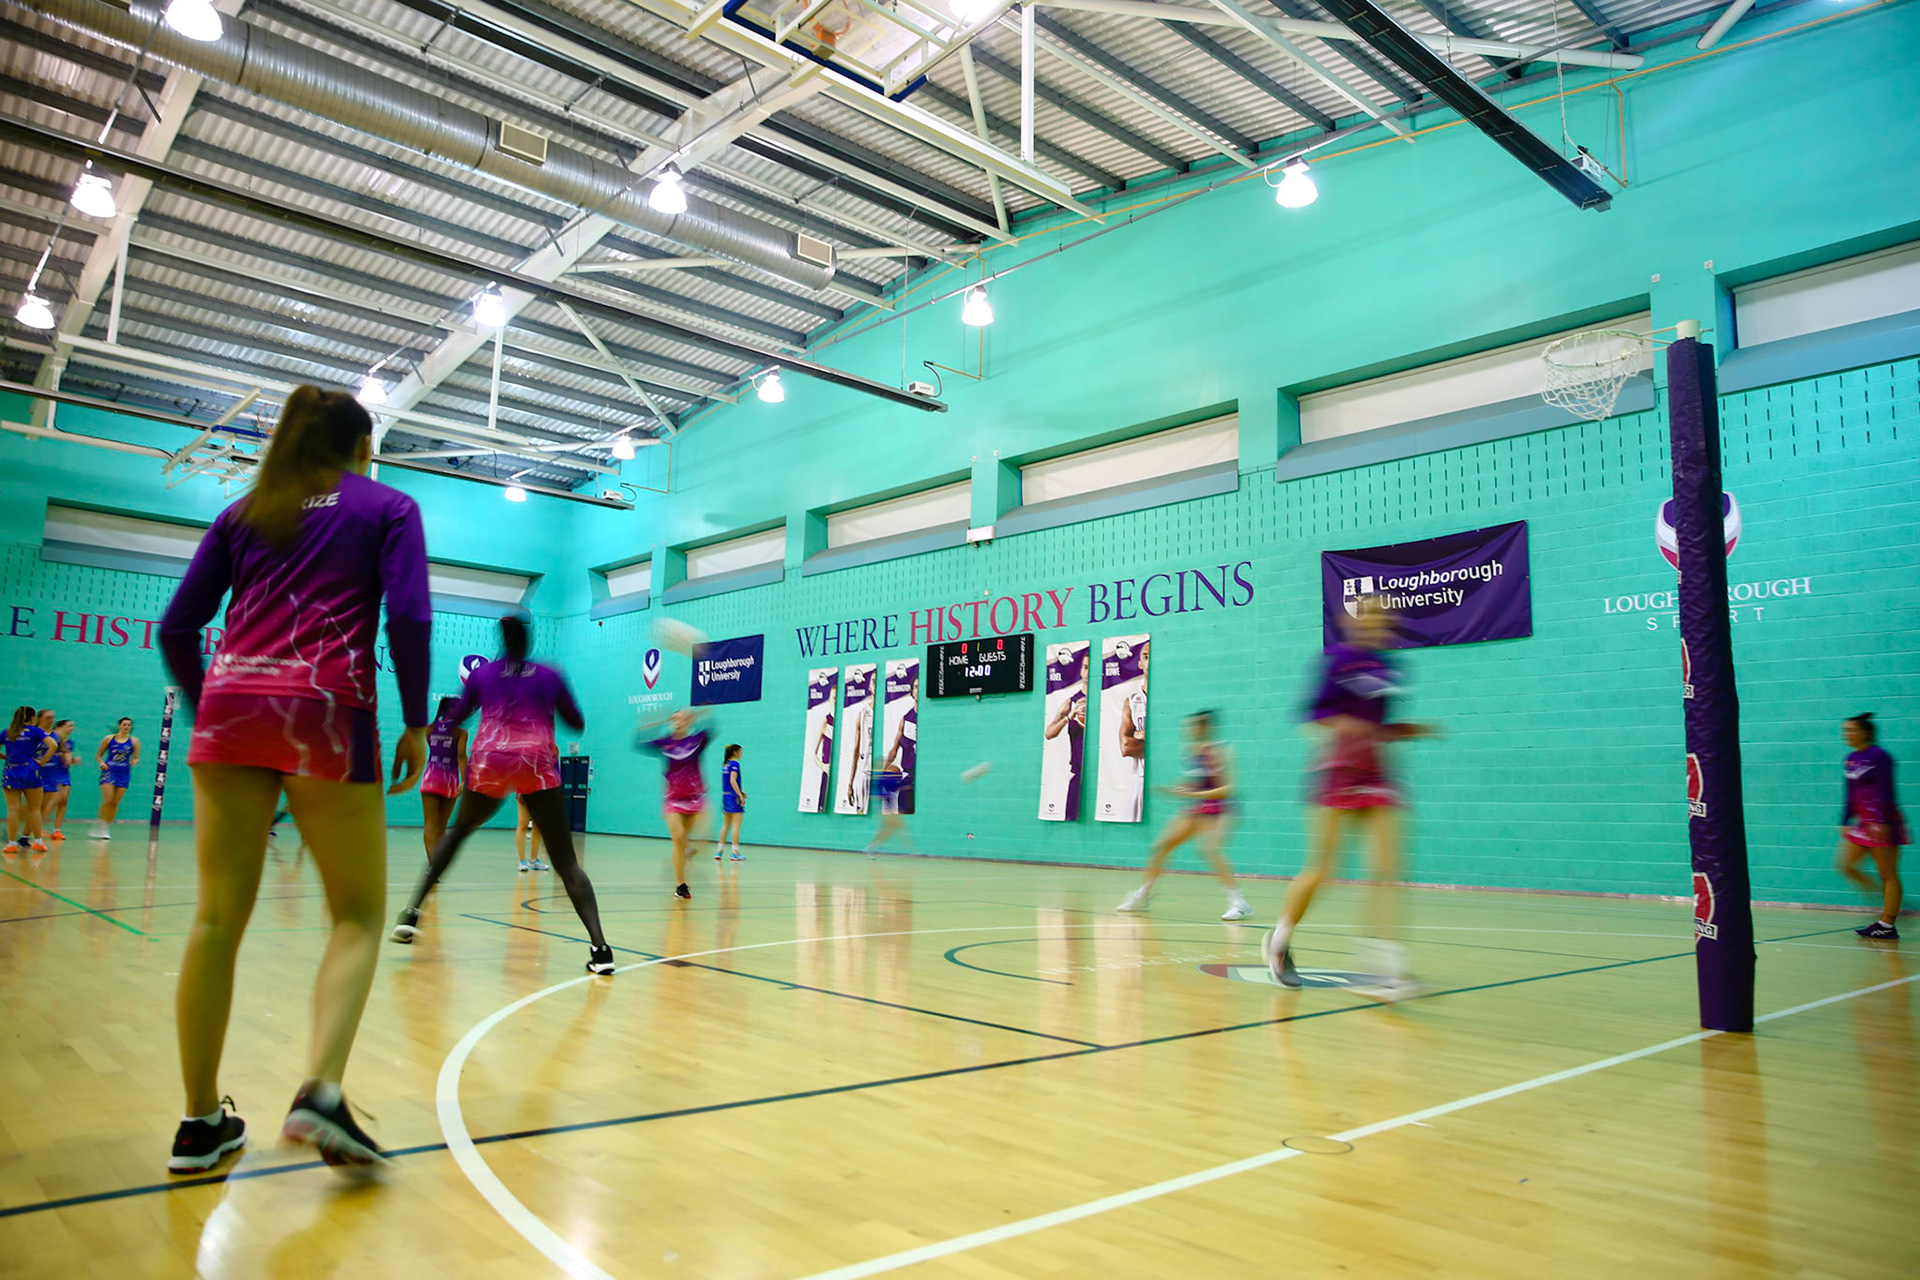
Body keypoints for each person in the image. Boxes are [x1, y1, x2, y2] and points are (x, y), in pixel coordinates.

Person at [158, 385, 431, 1173]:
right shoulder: (388, 507)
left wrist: (207, 701)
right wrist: (416, 719)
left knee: (215, 921)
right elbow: (409, 617)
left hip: (231, 708)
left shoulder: (242, 514)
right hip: (324, 708)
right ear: (360, 446)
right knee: (357, 914)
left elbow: (177, 626)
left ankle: (200, 1124)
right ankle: (321, 1092)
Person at [393, 616, 612, 973]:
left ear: (503, 641)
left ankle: (411, 913)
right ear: (529, 642)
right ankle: (601, 950)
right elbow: (576, 722)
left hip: (490, 762)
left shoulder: (483, 675)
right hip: (536, 762)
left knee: (458, 833)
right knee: (567, 863)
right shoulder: (550, 673)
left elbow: (459, 715)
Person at [1263, 599, 1438, 999]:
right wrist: (1353, 728)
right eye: (1372, 615)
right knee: (1324, 868)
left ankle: (1386, 969)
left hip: (1377, 773)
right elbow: (1312, 716)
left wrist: (1408, 730)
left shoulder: (1394, 668)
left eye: (1386, 618)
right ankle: (1279, 940)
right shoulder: (1337, 661)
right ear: (1354, 621)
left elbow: (1382, 727)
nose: (1379, 623)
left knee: (1387, 867)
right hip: (1336, 770)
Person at [1117, 710, 1252, 921]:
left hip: (1221, 807)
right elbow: (1195, 782)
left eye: (1194, 726)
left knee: (1210, 850)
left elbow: (1228, 788)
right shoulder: (1191, 751)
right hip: (1199, 806)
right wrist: (1176, 789)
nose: (1189, 730)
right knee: (1162, 845)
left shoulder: (1220, 751)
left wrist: (1195, 793)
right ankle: (1143, 895)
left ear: (1205, 727)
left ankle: (1239, 902)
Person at [1836, 713, 1906, 940]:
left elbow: (1887, 790)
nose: (1847, 734)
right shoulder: (1850, 758)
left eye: (1852, 730)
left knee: (1888, 874)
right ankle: (1886, 900)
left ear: (1866, 732)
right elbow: (1850, 793)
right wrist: (1845, 819)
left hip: (1882, 822)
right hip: (1863, 823)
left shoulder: (1880, 756)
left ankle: (1887, 923)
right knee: (1846, 866)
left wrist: (1884, 821)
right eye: (1845, 730)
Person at [638, 708, 711, 899]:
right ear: (672, 721)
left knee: (684, 840)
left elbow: (711, 728)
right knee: (678, 837)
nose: (679, 721)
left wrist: (696, 714)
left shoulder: (696, 741)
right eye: (676, 718)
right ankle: (681, 885)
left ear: (688, 721)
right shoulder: (666, 743)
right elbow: (640, 741)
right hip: (673, 799)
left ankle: (684, 851)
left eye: (683, 718)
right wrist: (650, 723)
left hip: (694, 798)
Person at [418, 696, 468, 859]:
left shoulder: (429, 729)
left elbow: (431, 748)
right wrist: (465, 780)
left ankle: (432, 865)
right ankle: (437, 865)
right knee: (442, 827)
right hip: (450, 782)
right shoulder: (460, 732)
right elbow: (461, 756)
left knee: (430, 826)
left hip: (430, 778)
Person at [3, 705, 54, 854]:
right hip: (30, 771)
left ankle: (11, 844)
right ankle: (38, 842)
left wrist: (5, 757)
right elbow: (53, 745)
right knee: (35, 809)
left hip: (11, 772)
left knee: (12, 810)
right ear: (33, 718)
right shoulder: (36, 731)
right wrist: (43, 760)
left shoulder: (7, 732)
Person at [93, 717, 140, 840]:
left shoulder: (134, 741)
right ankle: (100, 821)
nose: (126, 727)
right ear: (119, 726)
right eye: (124, 724)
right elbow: (99, 755)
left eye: (129, 725)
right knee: (108, 799)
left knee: (115, 803)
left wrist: (134, 761)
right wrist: (101, 763)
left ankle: (106, 827)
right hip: (109, 771)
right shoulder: (109, 739)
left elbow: (136, 757)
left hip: (124, 773)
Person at [40, 717, 76, 841]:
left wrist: (72, 759)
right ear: (60, 726)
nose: (72, 728)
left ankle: (57, 830)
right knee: (53, 799)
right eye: (69, 725)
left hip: (64, 773)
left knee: (63, 800)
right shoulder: (50, 738)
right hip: (51, 772)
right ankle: (39, 826)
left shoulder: (69, 743)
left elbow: (67, 761)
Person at [716, 743, 746, 861]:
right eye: (740, 751)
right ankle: (735, 852)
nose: (741, 754)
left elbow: (728, 783)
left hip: (726, 797)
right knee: (736, 826)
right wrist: (740, 795)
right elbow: (732, 781)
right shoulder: (734, 764)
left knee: (726, 826)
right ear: (735, 752)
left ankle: (719, 851)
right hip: (734, 798)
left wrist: (741, 792)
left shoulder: (725, 765)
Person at [513, 796, 547, 873]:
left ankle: (533, 861)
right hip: (525, 792)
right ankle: (522, 861)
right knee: (523, 825)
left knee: (538, 826)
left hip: (540, 794)